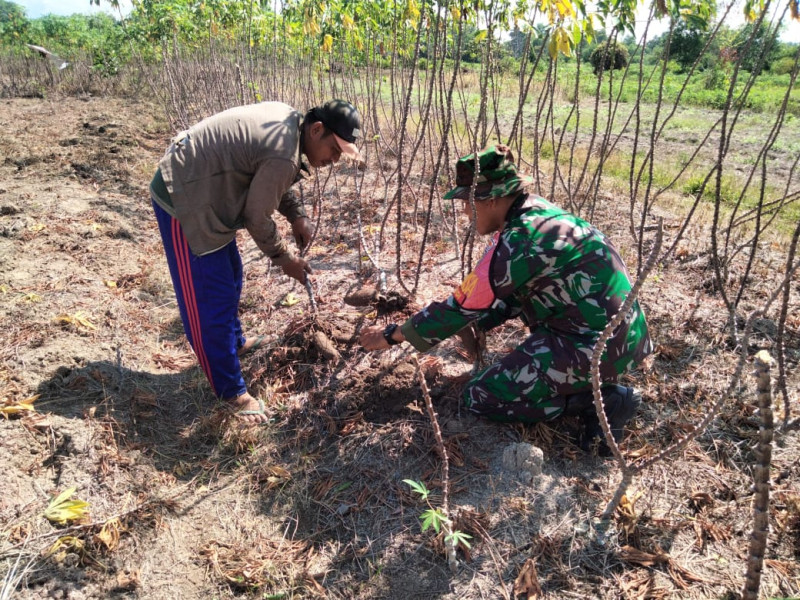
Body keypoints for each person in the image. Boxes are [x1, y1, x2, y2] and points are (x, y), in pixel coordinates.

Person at [359, 145, 652, 451]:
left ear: (492, 199)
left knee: (482, 396)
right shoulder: (539, 216)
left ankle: (601, 401)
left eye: (467, 202)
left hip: (595, 345)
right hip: (624, 336)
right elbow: (513, 294)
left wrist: (394, 336)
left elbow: (462, 304)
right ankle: (589, 385)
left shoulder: (520, 239)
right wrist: (480, 323)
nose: (465, 213)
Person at [150, 99, 363, 423]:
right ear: (317, 129)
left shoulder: (289, 126)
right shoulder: (283, 149)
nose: (334, 160)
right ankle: (230, 392)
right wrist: (284, 259)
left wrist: (296, 215)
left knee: (231, 275)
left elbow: (268, 177)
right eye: (334, 150)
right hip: (183, 195)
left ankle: (233, 342)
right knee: (210, 297)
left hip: (209, 192)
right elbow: (257, 216)